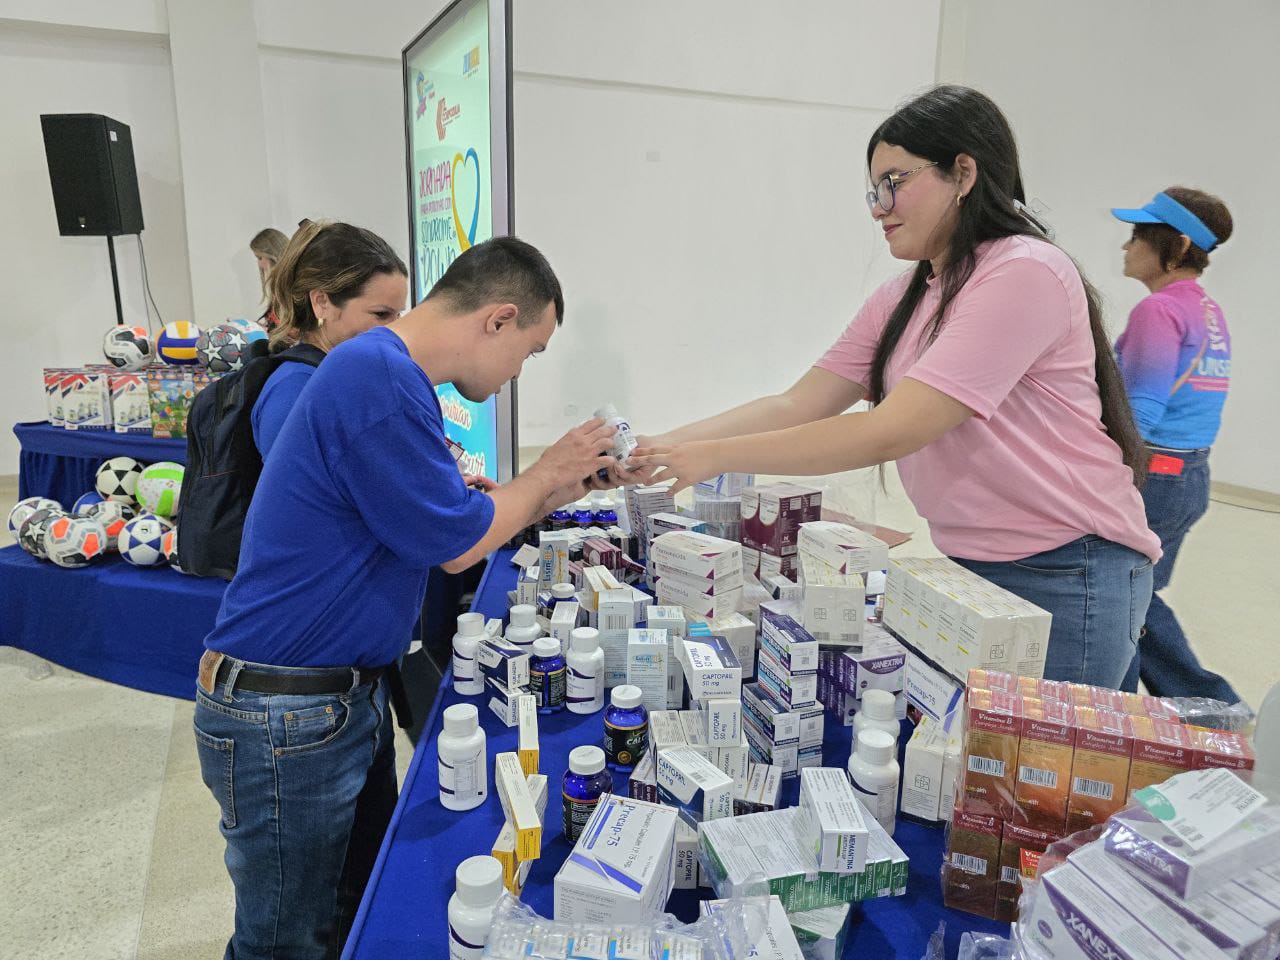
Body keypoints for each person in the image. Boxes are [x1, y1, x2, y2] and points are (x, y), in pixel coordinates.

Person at [623, 85, 1160, 689]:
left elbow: (888, 430)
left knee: (1047, 775)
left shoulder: (1023, 270)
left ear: (963, 173)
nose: (879, 207)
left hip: (1066, 567)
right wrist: (662, 444)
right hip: (972, 564)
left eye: (894, 182)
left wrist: (713, 457)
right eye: (873, 190)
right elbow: (797, 403)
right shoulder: (908, 295)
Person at [193, 236, 615, 960]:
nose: (519, 372)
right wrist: (545, 474)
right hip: (285, 711)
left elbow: (420, 519)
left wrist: (508, 494)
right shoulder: (380, 378)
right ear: (498, 319)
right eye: (530, 351)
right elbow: (453, 544)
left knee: (348, 910)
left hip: (327, 701)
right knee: (283, 941)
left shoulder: (384, 373)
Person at [1111, 188, 1238, 702]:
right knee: (1139, 596)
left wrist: (1110, 472)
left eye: (1139, 236)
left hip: (1155, 476)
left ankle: (1206, 705)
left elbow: (1141, 408)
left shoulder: (1159, 311)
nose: (1127, 246)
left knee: (1123, 598)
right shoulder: (1207, 311)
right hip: (1188, 476)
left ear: (1176, 244)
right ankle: (1200, 707)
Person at [254, 221, 408, 457]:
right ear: (321, 302)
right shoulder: (293, 393)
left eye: (398, 314)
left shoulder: (338, 375)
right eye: (381, 314)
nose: (395, 329)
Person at [250, 227, 288, 330]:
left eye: (260, 258)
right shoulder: (279, 287)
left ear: (273, 255)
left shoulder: (292, 287)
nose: (260, 264)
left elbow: (295, 331)